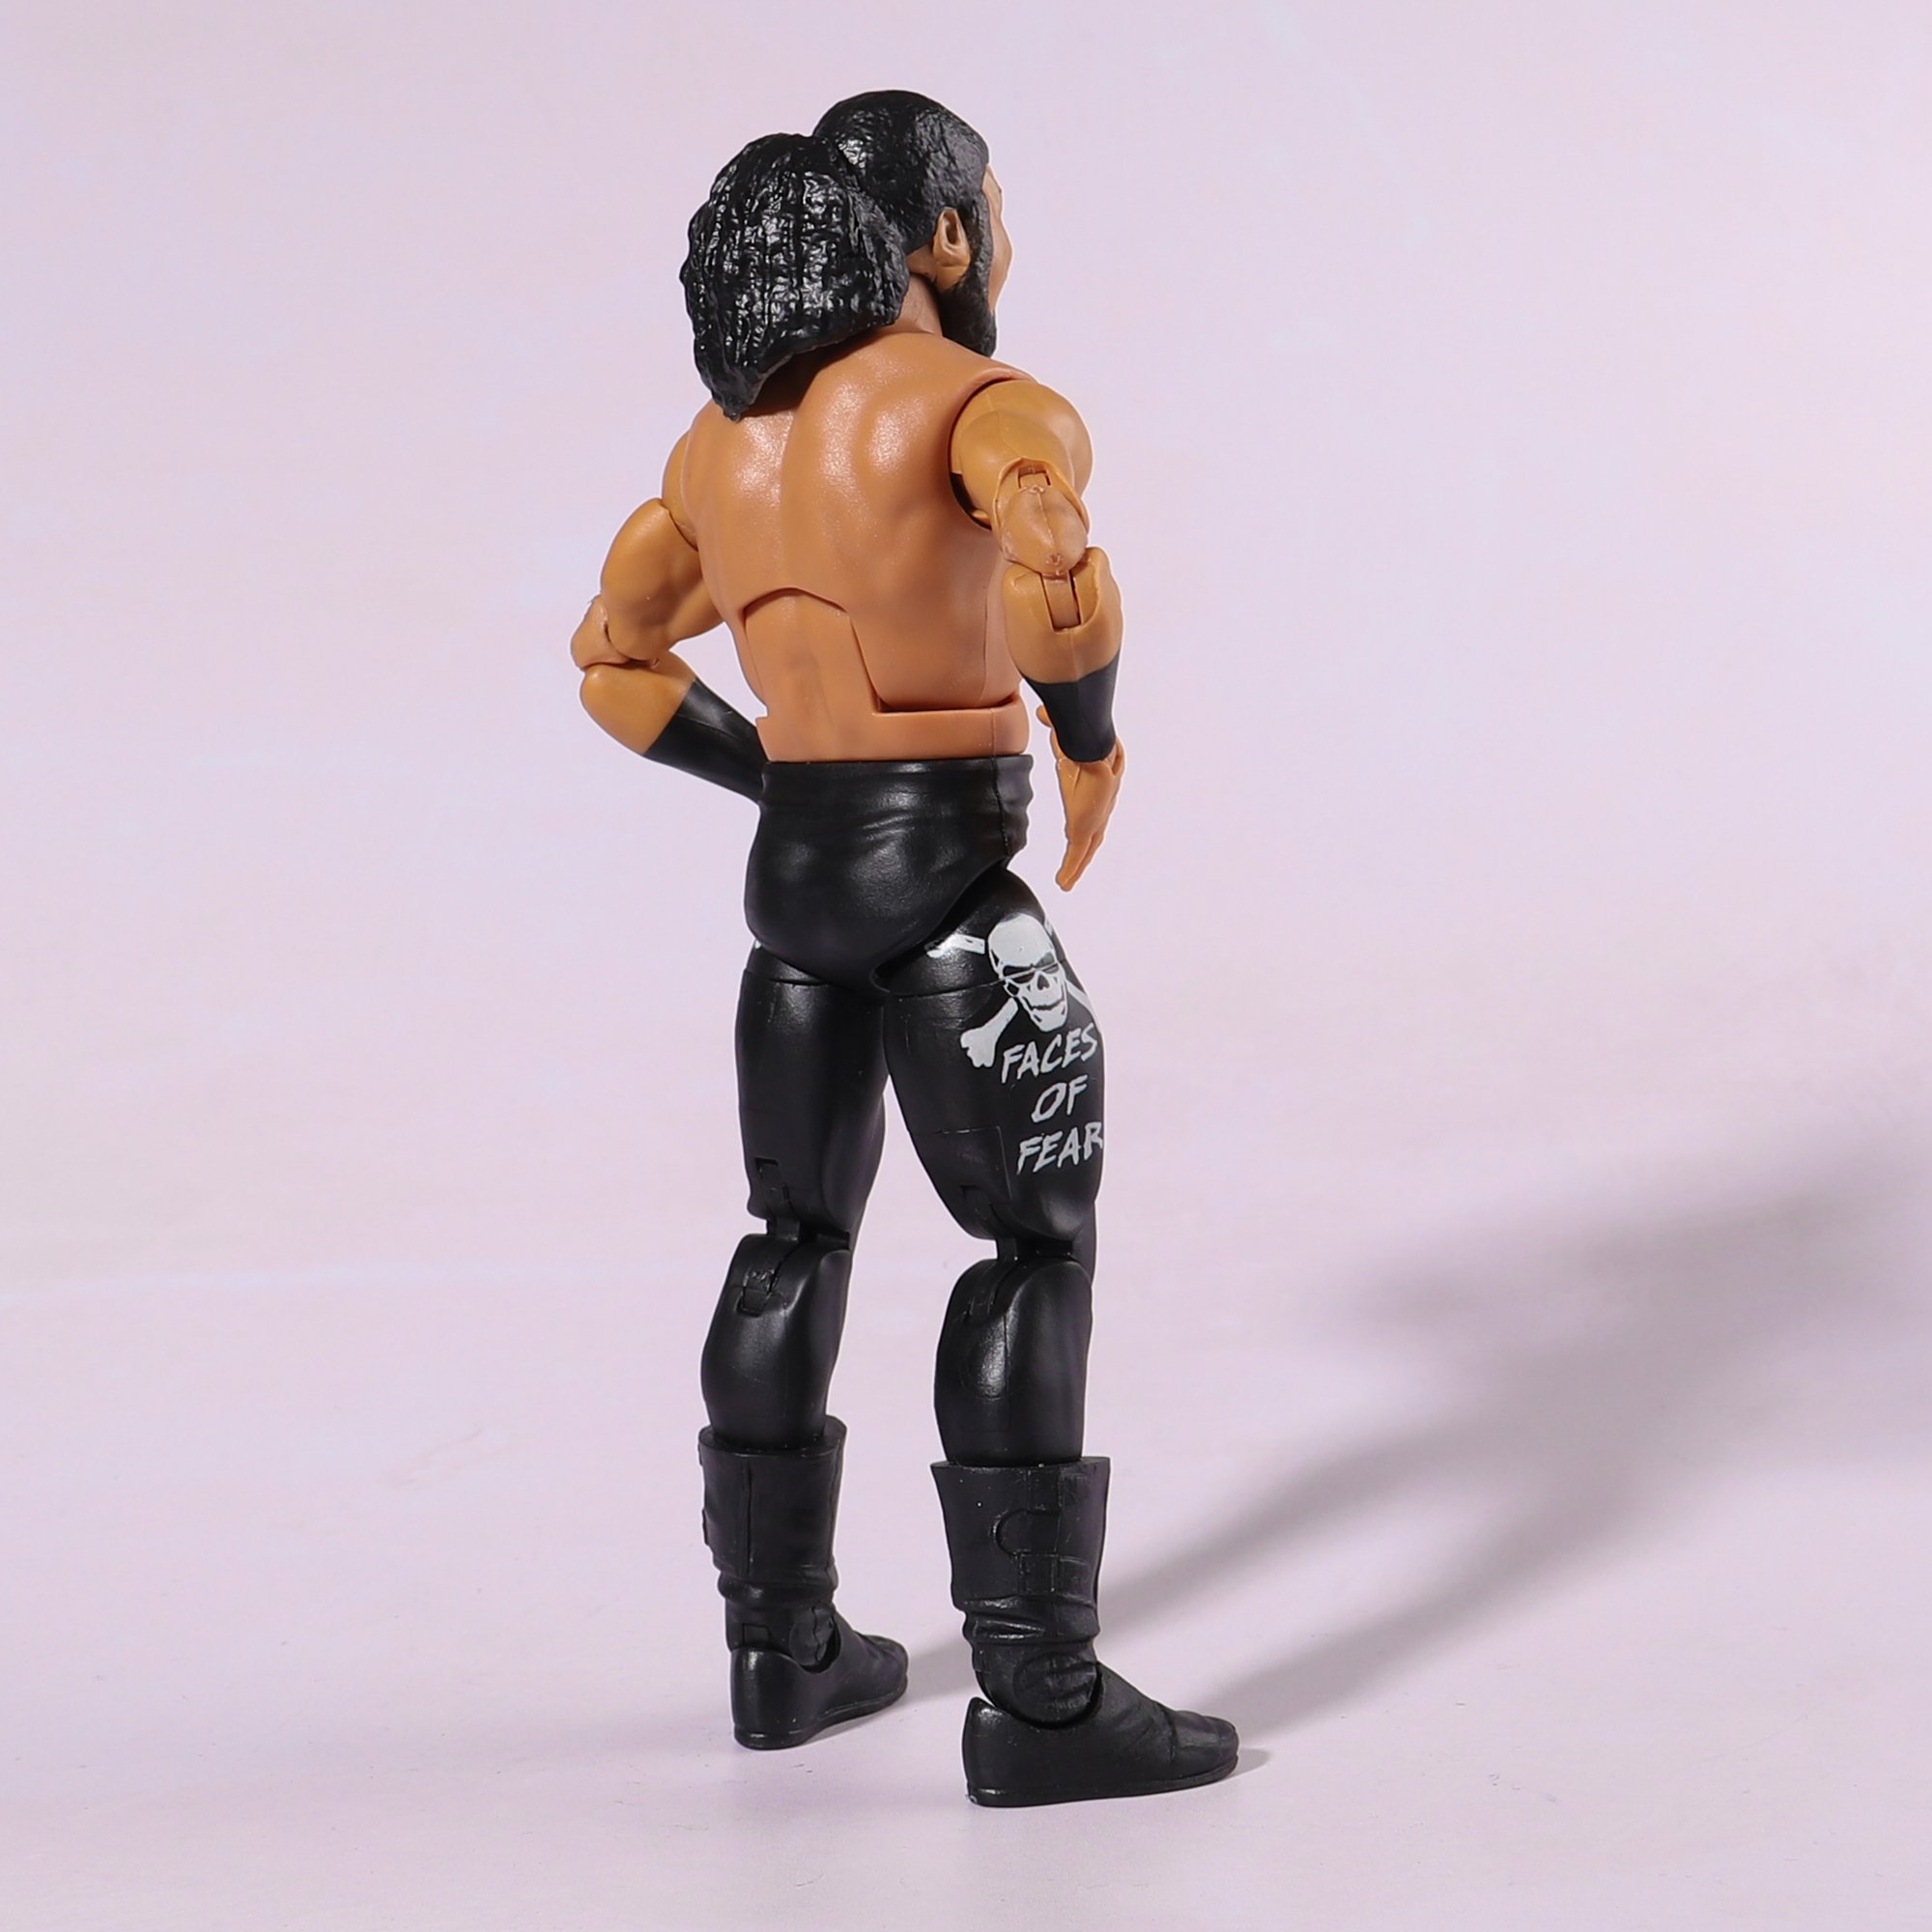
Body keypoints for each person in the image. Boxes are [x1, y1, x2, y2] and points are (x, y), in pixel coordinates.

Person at [570, 90, 1237, 1806]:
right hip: (944, 885)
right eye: (992, 208)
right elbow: (1055, 562)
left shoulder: (717, 449)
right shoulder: (978, 404)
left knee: (791, 1238)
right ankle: (1040, 1702)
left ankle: (779, 1653)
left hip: (793, 899)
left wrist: (785, 784)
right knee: (1031, 1247)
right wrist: (1088, 736)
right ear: (943, 236)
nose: (1004, 237)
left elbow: (612, 663)